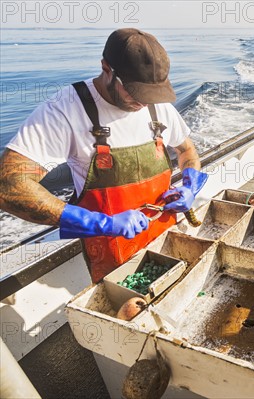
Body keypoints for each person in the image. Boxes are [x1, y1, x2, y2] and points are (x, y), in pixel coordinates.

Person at [0, 28, 207, 283]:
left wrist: (190, 186)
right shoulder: (65, 110)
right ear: (107, 69)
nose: (143, 103)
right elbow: (9, 186)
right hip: (111, 254)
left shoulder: (156, 104)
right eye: (134, 92)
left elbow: (186, 150)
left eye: (151, 94)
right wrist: (102, 224)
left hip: (166, 239)